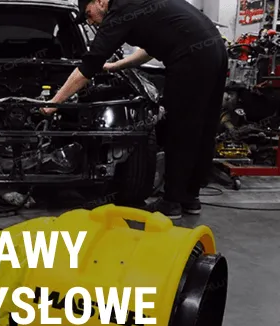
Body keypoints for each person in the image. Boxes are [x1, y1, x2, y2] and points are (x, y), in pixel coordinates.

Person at [41, 0, 229, 220]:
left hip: (191, 58)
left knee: (179, 129)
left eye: (88, 14)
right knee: (204, 126)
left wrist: (53, 103)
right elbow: (150, 49)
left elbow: (89, 65)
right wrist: (115, 66)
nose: (90, 21)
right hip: (216, 50)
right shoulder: (134, 5)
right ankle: (190, 197)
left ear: (100, 1)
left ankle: (172, 202)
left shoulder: (118, 12)